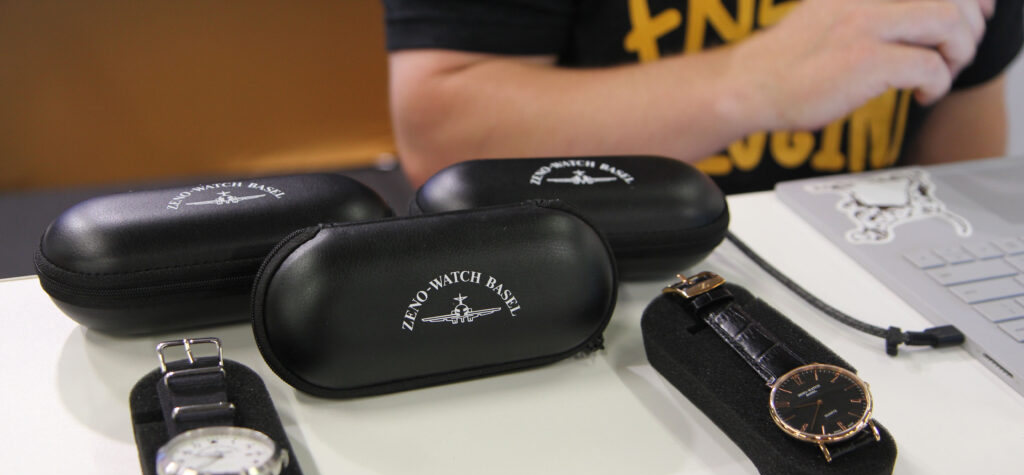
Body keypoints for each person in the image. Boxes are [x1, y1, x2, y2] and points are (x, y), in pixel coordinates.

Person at [382, 0, 1024, 193]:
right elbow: (444, 137)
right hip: (589, 282)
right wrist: (760, 83)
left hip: (861, 288)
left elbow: (963, 166)